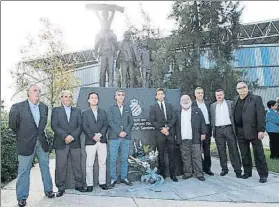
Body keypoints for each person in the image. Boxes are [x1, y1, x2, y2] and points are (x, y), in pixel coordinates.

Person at [9, 84, 55, 207]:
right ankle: (22, 197)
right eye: (35, 90)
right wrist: (24, 136)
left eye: (39, 91)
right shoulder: (17, 107)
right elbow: (13, 126)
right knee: (24, 171)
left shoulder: (44, 107)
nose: (38, 93)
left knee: (45, 167)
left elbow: (42, 126)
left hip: (42, 143)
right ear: (28, 93)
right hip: (25, 144)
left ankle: (49, 190)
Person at [51, 90, 86, 197]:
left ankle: (79, 185)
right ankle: (60, 187)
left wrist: (72, 136)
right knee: (61, 166)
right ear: (61, 98)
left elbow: (80, 126)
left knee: (77, 164)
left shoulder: (77, 111)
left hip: (74, 142)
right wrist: (65, 136)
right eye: (65, 96)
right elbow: (54, 125)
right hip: (61, 142)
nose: (68, 99)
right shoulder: (56, 110)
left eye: (70, 97)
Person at [232, 81, 268, 183]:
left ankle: (263, 174)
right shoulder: (235, 99)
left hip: (254, 131)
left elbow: (260, 115)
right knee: (244, 153)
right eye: (239, 88)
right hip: (240, 131)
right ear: (237, 90)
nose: (242, 89)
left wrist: (261, 130)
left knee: (259, 153)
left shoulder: (256, 98)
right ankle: (247, 172)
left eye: (244, 87)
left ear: (247, 88)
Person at [82, 91, 110, 191]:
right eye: (92, 98)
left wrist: (100, 134)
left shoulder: (103, 112)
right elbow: (84, 126)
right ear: (88, 100)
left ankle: (102, 182)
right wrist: (93, 136)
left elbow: (105, 125)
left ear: (98, 100)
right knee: (89, 164)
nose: (94, 99)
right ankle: (89, 184)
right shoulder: (84, 113)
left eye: (96, 98)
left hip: (102, 140)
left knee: (102, 163)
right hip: (90, 141)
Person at [210, 89, 242, 178]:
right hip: (218, 130)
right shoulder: (212, 106)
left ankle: (238, 170)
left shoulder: (230, 103)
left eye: (221, 95)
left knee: (234, 150)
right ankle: (224, 169)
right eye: (217, 95)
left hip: (229, 129)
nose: (219, 96)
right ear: (215, 96)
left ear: (224, 95)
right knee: (221, 151)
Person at [176, 94, 207, 181]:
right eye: (183, 100)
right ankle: (188, 173)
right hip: (183, 139)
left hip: (195, 138)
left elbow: (203, 122)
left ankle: (199, 173)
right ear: (180, 102)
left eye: (187, 99)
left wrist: (203, 133)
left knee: (197, 157)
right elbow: (175, 126)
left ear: (190, 100)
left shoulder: (197, 110)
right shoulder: (177, 111)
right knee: (185, 157)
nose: (185, 101)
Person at [149, 88, 178, 182]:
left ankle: (173, 175)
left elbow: (174, 118)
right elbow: (152, 120)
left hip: (170, 133)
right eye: (159, 94)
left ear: (164, 95)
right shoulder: (153, 107)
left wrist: (168, 128)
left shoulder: (170, 106)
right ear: (156, 96)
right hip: (160, 134)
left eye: (162, 93)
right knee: (160, 155)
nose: (161, 95)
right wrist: (162, 129)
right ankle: (163, 175)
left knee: (172, 154)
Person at [107, 89, 134, 187]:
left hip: (126, 138)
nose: (121, 96)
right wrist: (119, 132)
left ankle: (124, 177)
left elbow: (131, 122)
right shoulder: (111, 108)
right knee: (113, 159)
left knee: (124, 158)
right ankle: (113, 179)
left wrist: (125, 132)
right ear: (115, 97)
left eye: (122, 95)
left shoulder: (128, 108)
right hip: (114, 137)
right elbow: (110, 121)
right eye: (119, 95)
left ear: (124, 97)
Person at [192, 87, 214, 176]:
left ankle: (207, 168)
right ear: (195, 94)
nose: (200, 94)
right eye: (198, 93)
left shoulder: (208, 104)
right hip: (197, 130)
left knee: (207, 150)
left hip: (207, 129)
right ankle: (199, 168)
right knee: (197, 150)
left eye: (202, 93)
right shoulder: (192, 104)